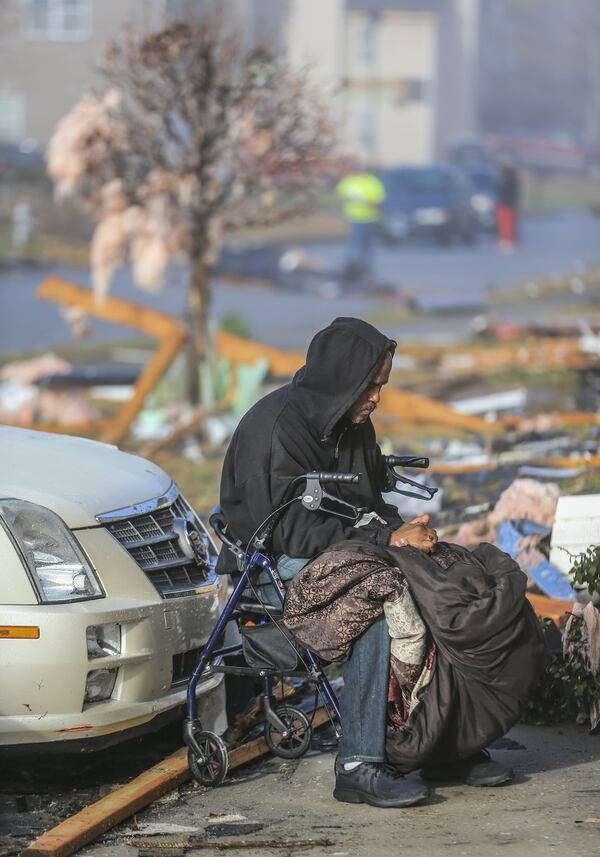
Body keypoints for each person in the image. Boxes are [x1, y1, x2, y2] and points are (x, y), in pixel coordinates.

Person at [217, 317, 513, 808]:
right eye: (371, 385)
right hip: (278, 566)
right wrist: (387, 537)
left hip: (344, 549)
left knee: (442, 582)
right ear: (342, 379)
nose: (377, 396)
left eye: (382, 385)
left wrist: (411, 536)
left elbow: (367, 499)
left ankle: (440, 743)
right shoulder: (276, 430)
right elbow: (288, 531)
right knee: (373, 605)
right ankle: (358, 764)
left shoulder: (351, 421)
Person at [336, 170, 385, 274]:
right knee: (355, 243)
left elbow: (379, 199)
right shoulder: (348, 181)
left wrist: (367, 202)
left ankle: (365, 268)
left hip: (370, 217)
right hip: (354, 217)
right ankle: (353, 266)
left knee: (366, 245)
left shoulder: (371, 181)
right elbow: (341, 195)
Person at [496, 163, 520, 252]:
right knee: (506, 225)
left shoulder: (509, 181)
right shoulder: (511, 181)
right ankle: (507, 241)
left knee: (508, 225)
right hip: (507, 205)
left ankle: (509, 242)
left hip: (507, 205)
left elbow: (505, 193)